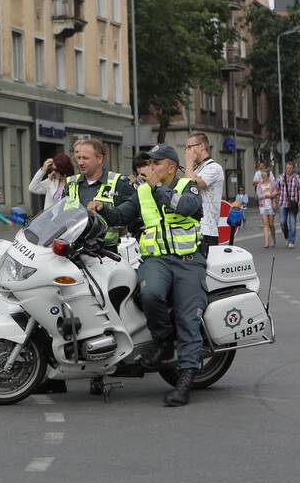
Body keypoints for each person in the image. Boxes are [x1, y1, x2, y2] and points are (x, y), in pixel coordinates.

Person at [89, 144, 205, 407]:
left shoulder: (187, 186)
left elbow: (186, 207)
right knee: (150, 293)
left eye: (156, 164)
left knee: (189, 318)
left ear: (171, 167)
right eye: (149, 164)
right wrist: (102, 209)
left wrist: (156, 188)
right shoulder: (143, 191)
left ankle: (185, 380)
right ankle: (163, 341)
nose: (150, 168)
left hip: (189, 262)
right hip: (157, 261)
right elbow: (120, 215)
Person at [65, 139, 133, 249]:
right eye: (78, 158)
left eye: (85, 158)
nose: (80, 163)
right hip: (74, 250)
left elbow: (129, 216)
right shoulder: (70, 183)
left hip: (106, 252)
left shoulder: (119, 183)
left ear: (100, 159)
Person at [183, 133, 225, 252]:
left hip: (207, 230)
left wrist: (189, 162)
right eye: (186, 148)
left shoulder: (214, 168)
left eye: (189, 147)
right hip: (191, 229)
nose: (187, 151)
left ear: (202, 146)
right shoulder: (196, 169)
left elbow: (190, 184)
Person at [276, 162, 300, 248]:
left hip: (293, 203)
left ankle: (291, 241)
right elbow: (276, 188)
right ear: (285, 168)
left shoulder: (297, 178)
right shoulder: (280, 177)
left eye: (290, 168)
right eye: (287, 168)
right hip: (282, 202)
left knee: (292, 223)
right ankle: (287, 236)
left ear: (293, 168)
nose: (288, 169)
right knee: (282, 222)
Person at [256, 164, 277, 249]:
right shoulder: (259, 185)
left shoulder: (272, 183)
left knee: (271, 224)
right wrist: (266, 195)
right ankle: (266, 242)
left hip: (271, 205)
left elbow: (275, 193)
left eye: (264, 176)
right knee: (265, 224)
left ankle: (273, 239)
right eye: (262, 176)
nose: (262, 178)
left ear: (268, 176)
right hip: (263, 206)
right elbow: (259, 195)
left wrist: (271, 196)